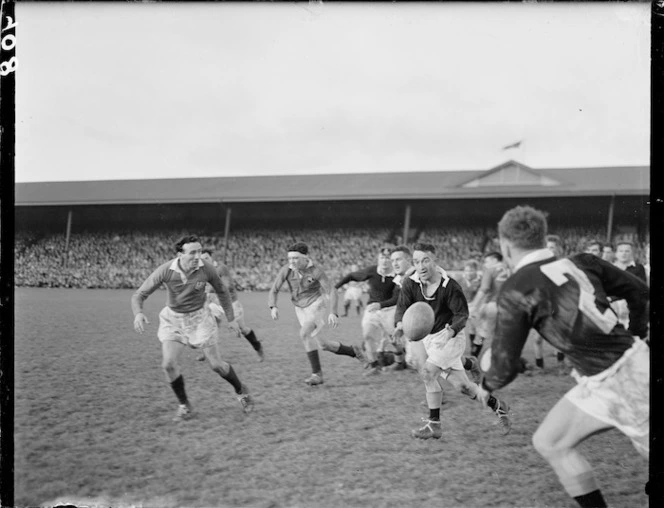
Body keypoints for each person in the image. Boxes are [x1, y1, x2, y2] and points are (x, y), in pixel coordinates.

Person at [477, 205, 649, 508]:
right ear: (543, 238)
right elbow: (639, 292)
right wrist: (636, 336)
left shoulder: (517, 286)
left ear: (505, 245)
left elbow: (504, 368)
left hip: (626, 380)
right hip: (606, 376)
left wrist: (487, 383)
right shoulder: (583, 261)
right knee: (551, 442)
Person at [394, 243, 511, 439]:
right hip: (430, 340)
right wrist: (399, 324)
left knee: (428, 373)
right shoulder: (410, 282)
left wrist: (451, 331)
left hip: (451, 338)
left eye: (425, 260)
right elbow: (402, 307)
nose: (420, 266)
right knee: (464, 387)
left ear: (434, 260)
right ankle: (499, 406)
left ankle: (434, 425)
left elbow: (462, 315)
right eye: (416, 261)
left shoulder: (450, 286)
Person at [131, 235, 254, 421]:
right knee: (168, 364)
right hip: (174, 319)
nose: (198, 256)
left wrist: (231, 319)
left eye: (199, 251)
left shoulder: (206, 269)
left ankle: (241, 390)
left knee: (216, 365)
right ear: (180, 254)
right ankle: (185, 406)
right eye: (193, 252)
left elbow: (223, 291)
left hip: (200, 318)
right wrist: (138, 313)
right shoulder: (166, 270)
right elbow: (139, 295)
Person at [267, 242, 365, 386]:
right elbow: (274, 289)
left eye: (295, 258)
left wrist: (333, 313)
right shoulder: (286, 270)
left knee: (304, 334)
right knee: (324, 345)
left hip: (316, 305)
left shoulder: (316, 271)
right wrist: (272, 306)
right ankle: (354, 351)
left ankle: (317, 374)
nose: (291, 262)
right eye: (290, 258)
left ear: (305, 258)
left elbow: (331, 291)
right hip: (300, 308)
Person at [330, 246, 399, 376]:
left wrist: (381, 304)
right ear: (378, 259)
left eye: (388, 258)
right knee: (367, 335)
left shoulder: (397, 275)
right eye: (382, 258)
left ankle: (400, 361)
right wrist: (336, 286)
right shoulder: (372, 271)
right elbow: (351, 276)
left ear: (392, 260)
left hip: (390, 309)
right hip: (371, 309)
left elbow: (397, 298)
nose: (385, 261)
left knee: (395, 340)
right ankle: (374, 366)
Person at [199, 249, 264, 362]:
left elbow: (227, 286)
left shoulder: (221, 268)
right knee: (209, 326)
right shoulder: (202, 271)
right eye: (202, 259)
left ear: (211, 258)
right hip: (215, 304)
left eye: (206, 258)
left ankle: (258, 347)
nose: (204, 261)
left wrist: (209, 289)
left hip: (231, 303)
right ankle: (206, 353)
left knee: (242, 329)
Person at [467, 252, 510, 357]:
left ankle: (474, 358)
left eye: (487, 261)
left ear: (494, 260)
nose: (485, 264)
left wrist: (474, 306)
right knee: (501, 335)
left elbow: (484, 289)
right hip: (509, 308)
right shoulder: (510, 270)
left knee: (481, 335)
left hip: (493, 306)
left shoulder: (490, 270)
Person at [459, 259, 482, 356]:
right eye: (466, 270)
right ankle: (471, 347)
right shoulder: (460, 280)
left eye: (471, 270)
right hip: (465, 308)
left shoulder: (480, 281)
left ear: (476, 270)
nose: (468, 273)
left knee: (478, 331)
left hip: (477, 309)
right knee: (469, 329)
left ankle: (475, 353)